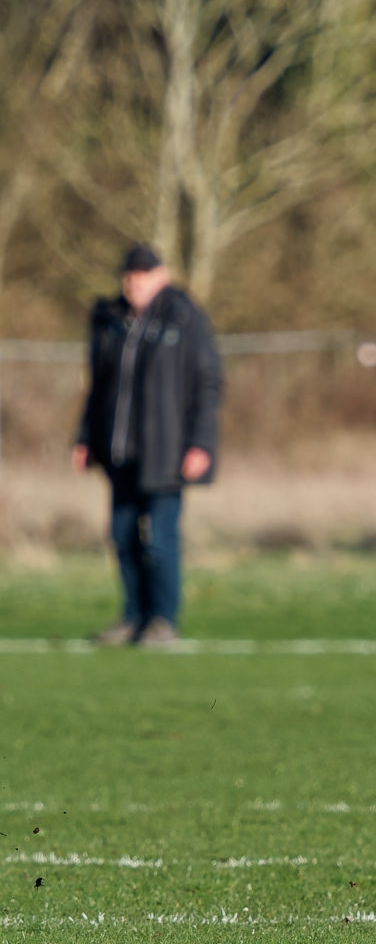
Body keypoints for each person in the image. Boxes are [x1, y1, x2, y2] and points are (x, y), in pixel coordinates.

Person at [73, 244, 222, 648]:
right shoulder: (110, 320)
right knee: (122, 536)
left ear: (162, 276)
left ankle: (162, 620)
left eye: (142, 276)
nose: (133, 284)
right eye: (129, 277)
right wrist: (85, 437)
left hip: (166, 452)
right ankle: (133, 617)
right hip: (119, 450)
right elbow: (98, 387)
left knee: (159, 538)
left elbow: (207, 384)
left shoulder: (184, 318)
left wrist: (200, 443)